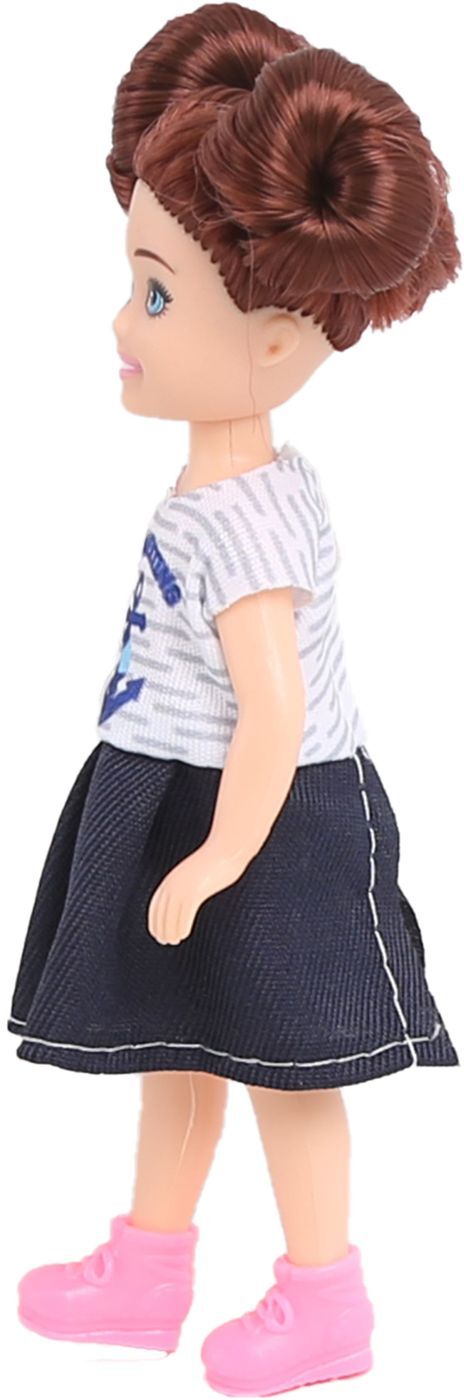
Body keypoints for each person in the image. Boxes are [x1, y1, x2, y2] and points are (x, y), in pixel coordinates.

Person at [7, 4, 460, 1394]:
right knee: (177, 1041)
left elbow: (274, 712)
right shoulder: (228, 487)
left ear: (271, 345)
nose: (121, 325)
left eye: (155, 297)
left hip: (262, 815)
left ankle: (326, 1299)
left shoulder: (242, 519)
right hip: (182, 785)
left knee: (287, 1063)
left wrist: (214, 860)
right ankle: (150, 1267)